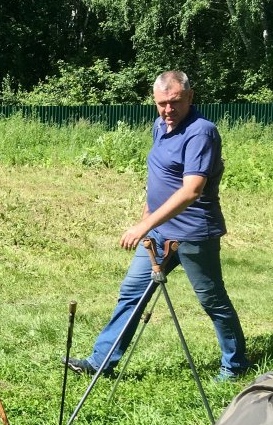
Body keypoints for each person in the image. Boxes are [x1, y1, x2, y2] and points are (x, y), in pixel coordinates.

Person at [65, 70, 248, 383]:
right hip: (159, 232)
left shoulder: (201, 132)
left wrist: (142, 226)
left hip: (194, 234)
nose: (168, 109)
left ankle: (234, 365)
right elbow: (162, 175)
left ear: (190, 97)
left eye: (175, 102)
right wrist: (148, 217)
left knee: (212, 300)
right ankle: (101, 361)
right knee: (132, 294)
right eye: (162, 103)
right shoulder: (160, 126)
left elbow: (192, 190)